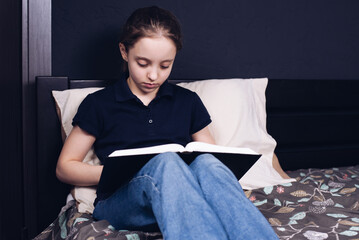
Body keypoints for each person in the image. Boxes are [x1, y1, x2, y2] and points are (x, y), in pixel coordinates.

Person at [56, 6, 279, 240]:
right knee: (166, 162)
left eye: (165, 66)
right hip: (122, 201)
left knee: (208, 164)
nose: (154, 76)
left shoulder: (188, 101)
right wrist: (120, 171)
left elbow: (212, 158)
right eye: (143, 64)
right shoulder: (99, 104)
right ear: (124, 51)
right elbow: (65, 167)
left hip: (183, 199)